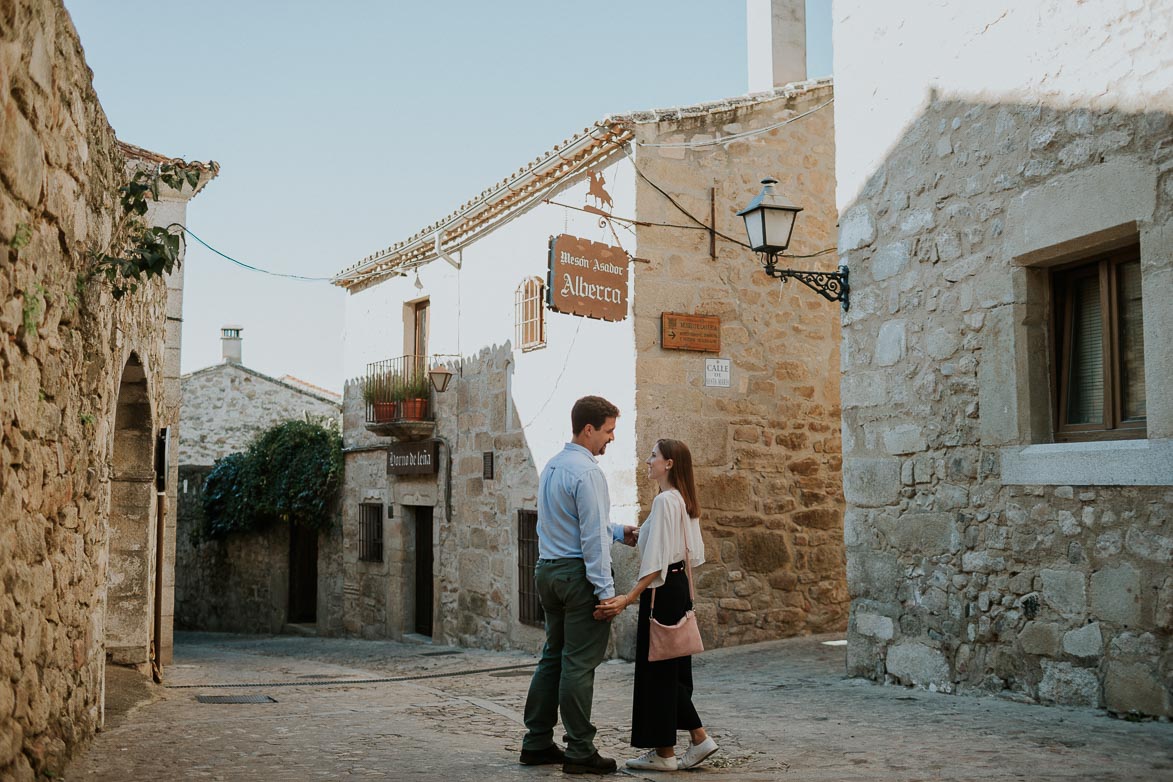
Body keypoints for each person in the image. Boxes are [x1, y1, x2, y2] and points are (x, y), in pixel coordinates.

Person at [519, 395, 637, 775]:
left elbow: (575, 525)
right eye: (608, 431)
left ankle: (536, 742)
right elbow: (590, 541)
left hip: (547, 571)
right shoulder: (588, 473)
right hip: (577, 578)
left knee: (552, 657)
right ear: (589, 429)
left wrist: (618, 531)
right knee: (578, 664)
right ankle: (580, 750)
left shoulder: (553, 467)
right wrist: (606, 594)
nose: (611, 439)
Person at [595, 439, 718, 771]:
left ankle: (675, 749)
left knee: (658, 670)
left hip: (661, 590)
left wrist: (628, 597)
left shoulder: (665, 501)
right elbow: (686, 549)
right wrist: (641, 532)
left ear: (669, 464)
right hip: (677, 587)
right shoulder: (682, 499)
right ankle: (684, 743)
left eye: (653, 456)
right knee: (671, 670)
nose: (647, 460)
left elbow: (654, 562)